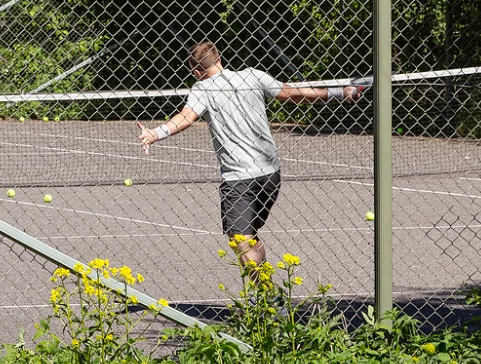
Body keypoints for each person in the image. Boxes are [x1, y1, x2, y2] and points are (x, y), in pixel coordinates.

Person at [137, 41, 368, 267]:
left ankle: (268, 299)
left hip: (239, 180)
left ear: (197, 71)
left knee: (241, 242)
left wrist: (155, 134)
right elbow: (292, 93)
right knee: (250, 236)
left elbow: (186, 118)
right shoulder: (253, 76)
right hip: (271, 176)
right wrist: (339, 92)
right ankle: (267, 298)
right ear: (219, 59)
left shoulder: (202, 89)